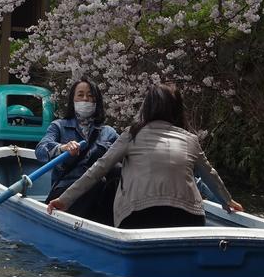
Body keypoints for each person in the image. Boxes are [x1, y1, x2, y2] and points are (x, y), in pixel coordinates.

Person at [47, 83, 244, 228]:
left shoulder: (131, 134)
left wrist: (64, 200)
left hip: (139, 216)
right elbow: (209, 175)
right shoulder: (191, 139)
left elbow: (98, 170)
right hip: (189, 219)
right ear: (178, 109)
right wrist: (227, 201)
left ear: (146, 107)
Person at [35, 78, 120, 223]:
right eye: (80, 95)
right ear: (72, 99)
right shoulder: (59, 126)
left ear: (96, 101)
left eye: (90, 95)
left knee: (111, 183)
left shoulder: (109, 132)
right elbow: (40, 151)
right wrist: (62, 148)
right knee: (97, 184)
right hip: (65, 191)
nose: (85, 99)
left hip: (99, 195)